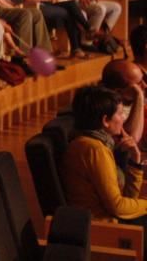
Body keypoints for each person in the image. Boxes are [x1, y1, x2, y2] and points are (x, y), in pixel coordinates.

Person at [63, 85, 147, 242]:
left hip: (111, 221)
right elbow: (117, 207)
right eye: (120, 113)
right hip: (102, 230)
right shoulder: (93, 149)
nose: (123, 118)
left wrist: (135, 161)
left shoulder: (94, 143)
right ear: (105, 121)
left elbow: (126, 199)